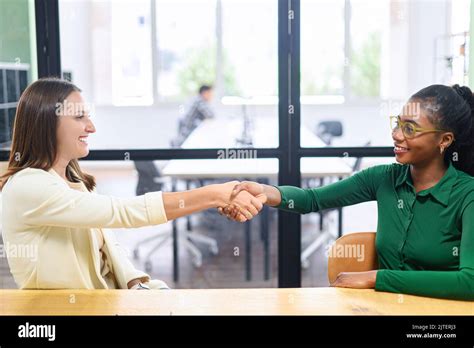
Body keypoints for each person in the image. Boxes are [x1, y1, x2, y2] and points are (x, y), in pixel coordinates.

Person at [0, 78, 266, 290]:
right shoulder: (28, 187)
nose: (91, 127)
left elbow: (107, 245)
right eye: (80, 117)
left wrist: (135, 282)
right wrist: (215, 194)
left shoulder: (73, 181)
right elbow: (121, 212)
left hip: (105, 301)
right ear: (47, 123)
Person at [222, 84, 474, 300]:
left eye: (410, 129)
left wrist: (378, 278)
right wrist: (265, 191)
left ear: (444, 140)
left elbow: (469, 283)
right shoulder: (383, 178)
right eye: (398, 124)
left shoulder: (467, 195)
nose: (396, 135)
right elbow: (312, 199)